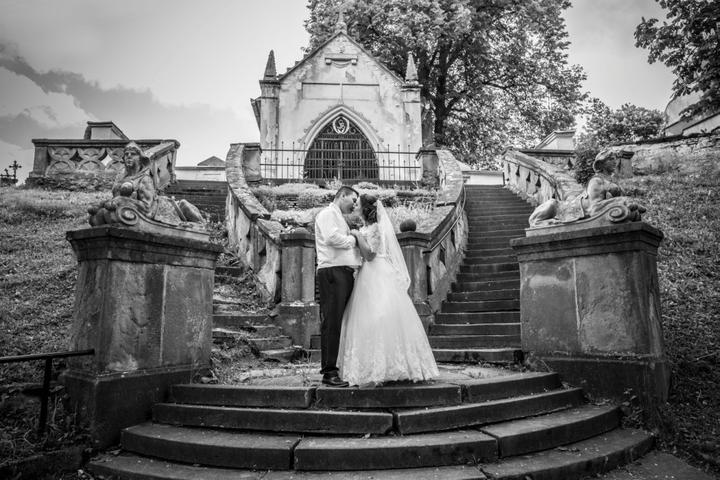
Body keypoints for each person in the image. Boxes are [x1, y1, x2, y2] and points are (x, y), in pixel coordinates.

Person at [338, 193, 439, 387]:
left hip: (377, 273)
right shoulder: (365, 228)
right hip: (365, 275)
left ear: (365, 209)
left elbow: (370, 255)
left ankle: (392, 365)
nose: (354, 206)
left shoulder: (375, 228)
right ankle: (372, 366)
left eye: (357, 204)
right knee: (366, 318)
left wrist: (357, 236)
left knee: (381, 315)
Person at [314, 186, 362, 387]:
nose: (354, 204)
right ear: (342, 196)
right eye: (353, 199)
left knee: (338, 321)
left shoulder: (338, 216)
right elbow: (331, 238)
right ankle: (329, 372)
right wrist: (354, 239)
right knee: (332, 322)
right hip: (333, 272)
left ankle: (335, 367)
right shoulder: (327, 214)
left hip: (342, 272)